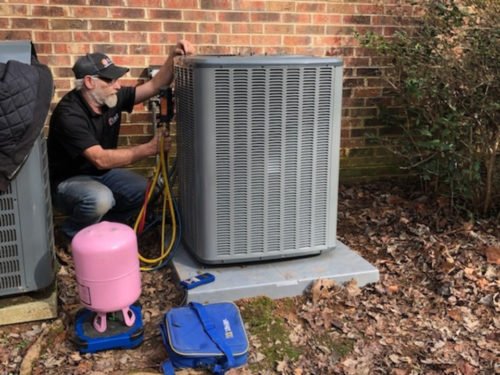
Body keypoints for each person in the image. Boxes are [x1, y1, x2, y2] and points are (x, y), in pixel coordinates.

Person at [47, 40, 194, 240]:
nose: (117, 85)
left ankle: (105, 230)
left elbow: (154, 85)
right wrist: (149, 148)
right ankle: (69, 235)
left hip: (102, 175)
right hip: (68, 182)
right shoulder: (69, 115)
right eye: (110, 80)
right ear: (89, 82)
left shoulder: (109, 98)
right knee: (100, 199)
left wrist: (172, 56)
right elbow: (100, 159)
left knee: (149, 191)